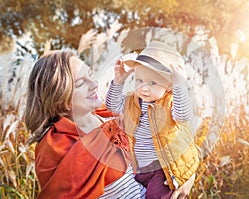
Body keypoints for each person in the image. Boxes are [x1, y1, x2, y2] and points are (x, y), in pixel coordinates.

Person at [24, 49, 147, 198]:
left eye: (90, 74)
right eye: (81, 82)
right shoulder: (55, 148)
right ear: (59, 96)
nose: (95, 84)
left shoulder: (113, 117)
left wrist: (183, 181)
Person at [106, 41, 199, 199]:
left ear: (169, 86)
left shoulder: (169, 103)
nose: (143, 88)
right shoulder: (133, 101)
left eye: (152, 83)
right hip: (139, 169)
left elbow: (183, 116)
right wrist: (118, 82)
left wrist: (179, 86)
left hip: (162, 170)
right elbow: (112, 106)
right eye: (139, 80)